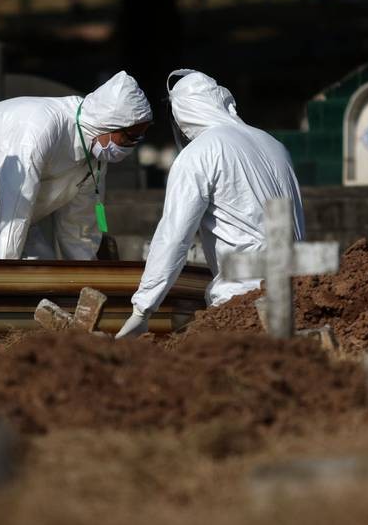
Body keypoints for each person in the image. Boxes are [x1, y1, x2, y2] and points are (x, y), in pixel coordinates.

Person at [115, 69, 304, 338]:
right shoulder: (274, 144)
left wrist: (143, 309)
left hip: (243, 300)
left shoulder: (201, 153)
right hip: (298, 292)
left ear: (183, 115)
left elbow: (174, 237)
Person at [0, 71, 152, 260]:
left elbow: (80, 224)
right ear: (106, 124)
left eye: (139, 137)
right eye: (129, 136)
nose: (133, 145)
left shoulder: (95, 158)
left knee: (43, 272)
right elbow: (17, 202)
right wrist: (5, 274)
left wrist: (87, 280)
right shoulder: (41, 126)